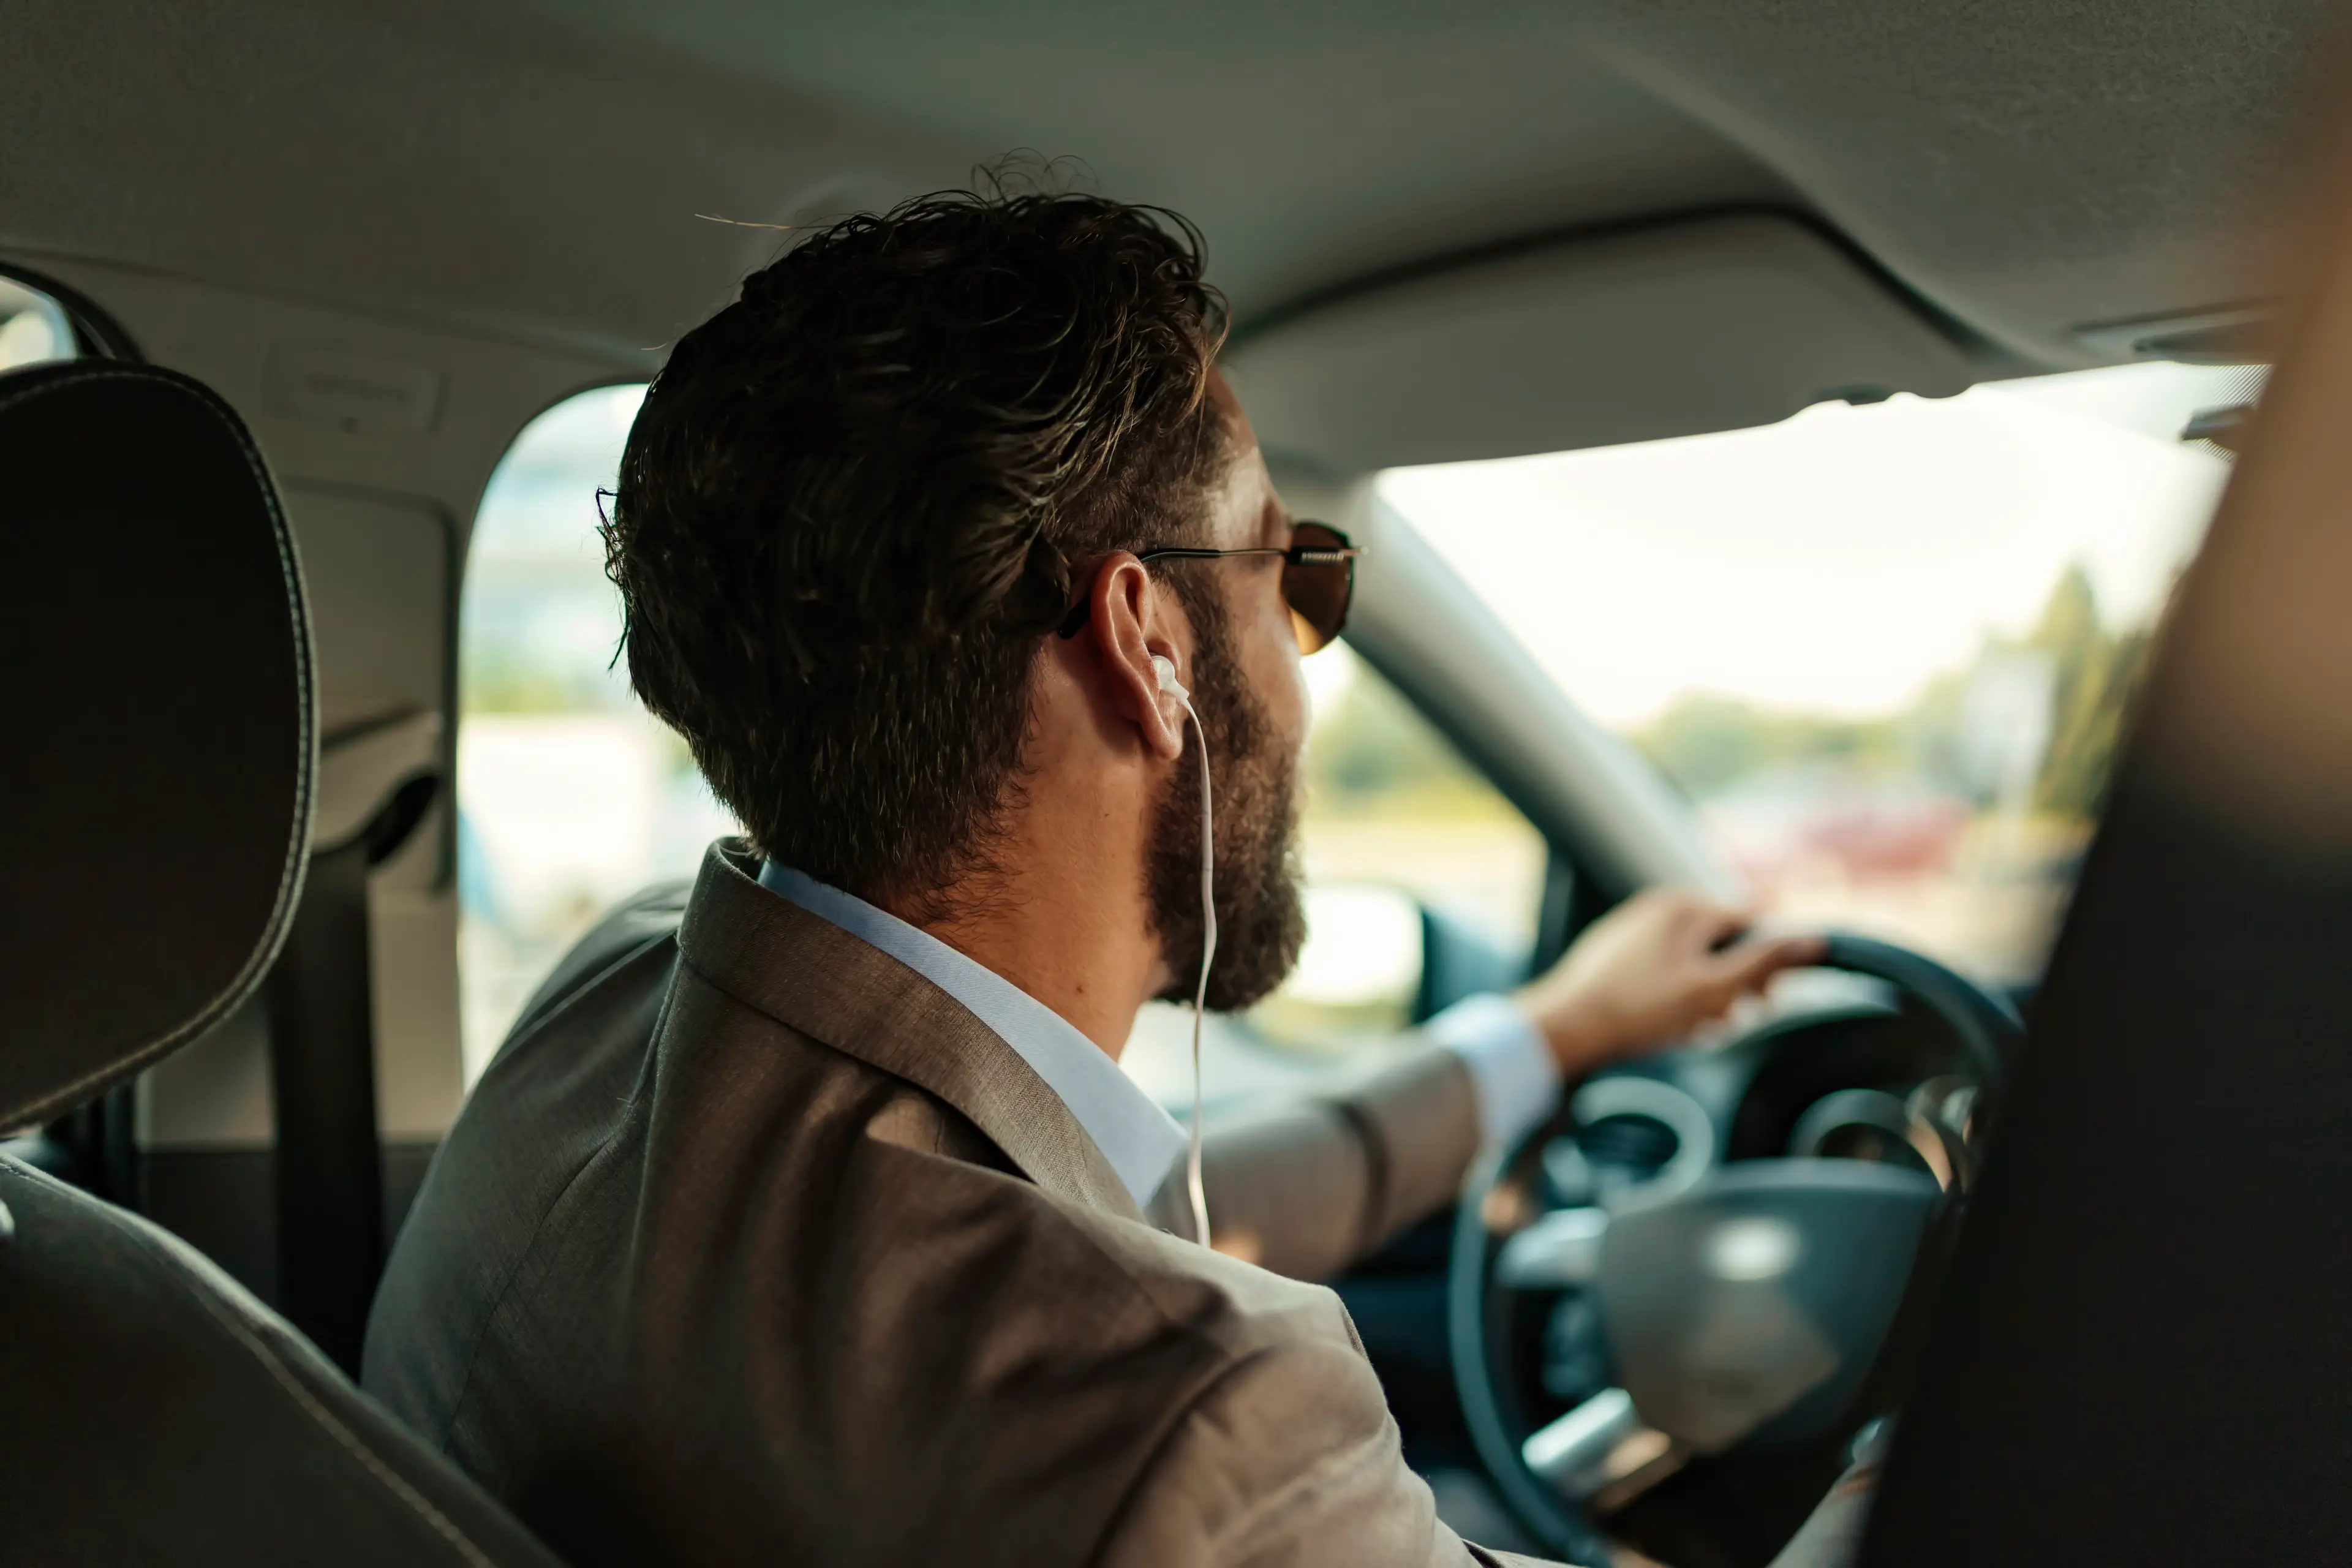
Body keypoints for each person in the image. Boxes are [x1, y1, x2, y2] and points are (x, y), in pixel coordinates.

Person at [363, 187, 1825, 1567]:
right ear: (1147, 641)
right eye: (1289, 575)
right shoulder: (1205, 1417)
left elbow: (1136, 1210)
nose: (1307, 679)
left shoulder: (620, 999)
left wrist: (1554, 1034)